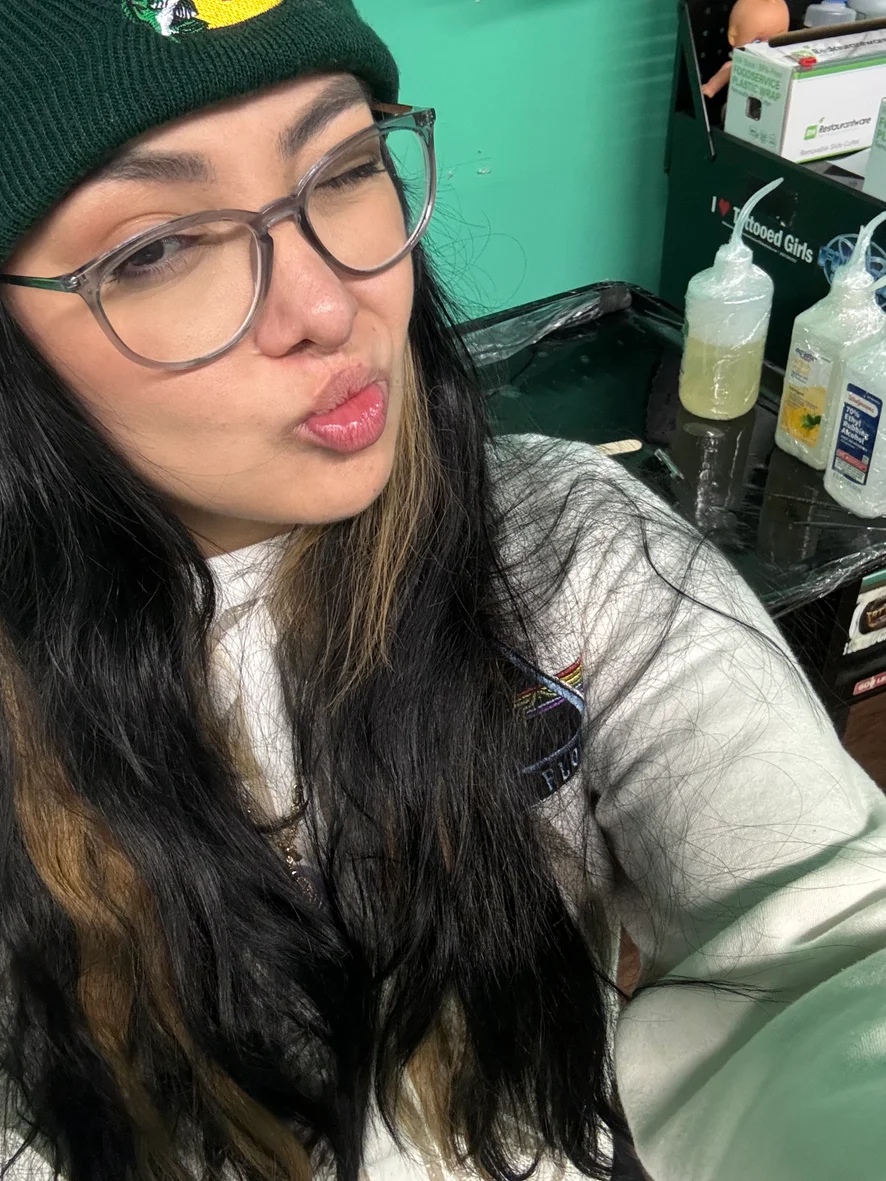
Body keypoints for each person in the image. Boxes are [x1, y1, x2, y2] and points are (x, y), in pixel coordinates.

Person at [0, 3, 885, 1181]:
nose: (329, 305)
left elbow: (825, 942)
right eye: (157, 249)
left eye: (344, 168)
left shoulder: (563, 548)